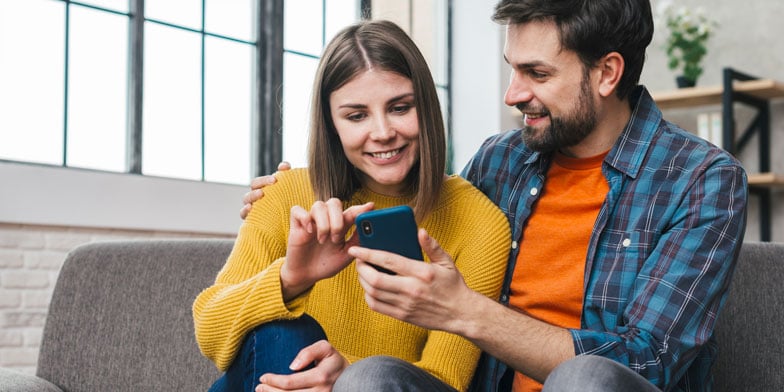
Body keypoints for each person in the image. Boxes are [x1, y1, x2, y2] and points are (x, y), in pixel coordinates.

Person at [243, 1, 749, 391]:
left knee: (584, 378)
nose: (512, 93)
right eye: (513, 69)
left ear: (606, 73)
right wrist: (297, 191)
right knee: (370, 378)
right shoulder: (498, 162)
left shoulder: (702, 180)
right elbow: (408, 200)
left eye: (537, 74)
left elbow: (648, 361)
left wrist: (465, 310)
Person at [193, 20, 511, 392]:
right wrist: (292, 278)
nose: (382, 132)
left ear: (425, 106)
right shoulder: (286, 194)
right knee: (281, 333)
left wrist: (346, 376)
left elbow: (445, 380)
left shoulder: (478, 223)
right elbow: (210, 332)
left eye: (400, 107)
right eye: (356, 115)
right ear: (331, 124)